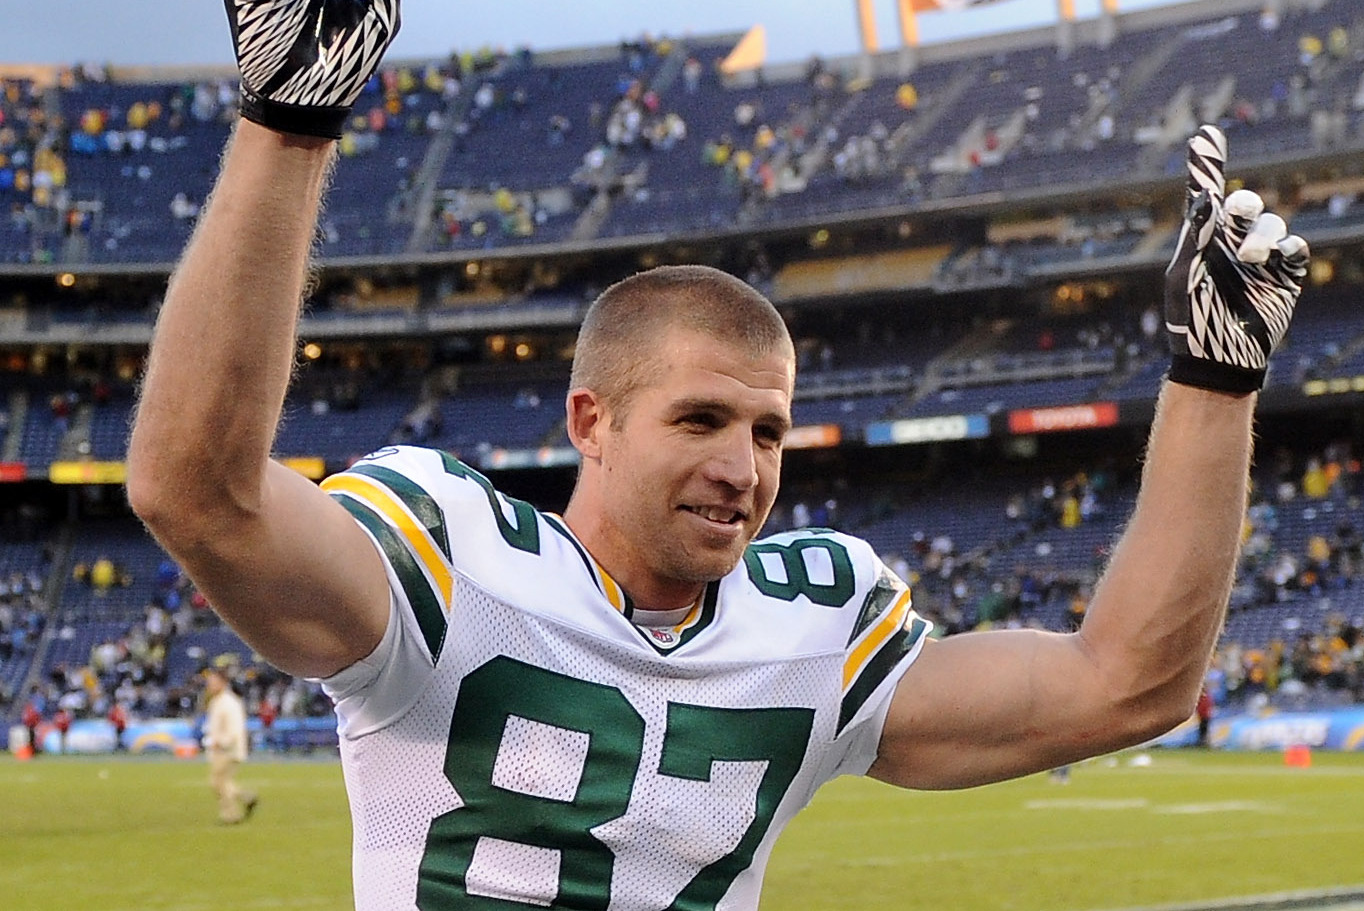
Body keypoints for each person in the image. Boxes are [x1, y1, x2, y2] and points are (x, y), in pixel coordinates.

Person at [126, 3, 1309, 908]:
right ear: (589, 421)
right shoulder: (450, 552)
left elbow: (1126, 684)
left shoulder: (809, 626)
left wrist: (1212, 379)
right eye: (697, 420)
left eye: (767, 430)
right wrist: (288, 120)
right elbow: (201, 494)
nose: (742, 466)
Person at [201, 666, 258, 825]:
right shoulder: (217, 701)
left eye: (213, 682)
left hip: (227, 749)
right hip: (222, 748)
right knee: (222, 782)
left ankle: (230, 814)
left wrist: (223, 742)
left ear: (222, 682)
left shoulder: (229, 702)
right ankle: (246, 798)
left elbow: (235, 727)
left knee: (218, 782)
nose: (209, 685)